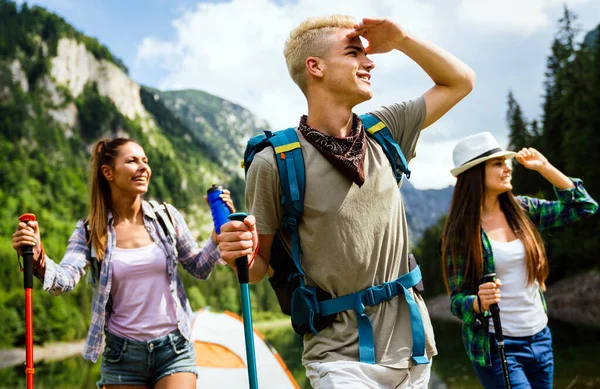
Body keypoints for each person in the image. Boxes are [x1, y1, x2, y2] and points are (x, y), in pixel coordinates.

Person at [218, 15, 475, 388]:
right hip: (338, 358)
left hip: (414, 350)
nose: (369, 63)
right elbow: (257, 267)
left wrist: (402, 39)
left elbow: (461, 81)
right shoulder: (274, 161)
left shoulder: (386, 130)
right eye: (354, 53)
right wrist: (236, 252)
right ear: (315, 66)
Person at [11, 138, 235, 389]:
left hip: (174, 349)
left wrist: (217, 238)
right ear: (108, 172)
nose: (143, 167)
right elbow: (63, 280)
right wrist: (39, 257)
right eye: (132, 161)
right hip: (122, 356)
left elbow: (198, 266)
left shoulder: (166, 217)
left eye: (145, 161)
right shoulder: (89, 231)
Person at [441, 132, 598, 388]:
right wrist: (478, 303)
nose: (508, 168)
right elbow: (457, 301)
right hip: (497, 345)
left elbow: (584, 206)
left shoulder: (523, 210)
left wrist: (545, 168)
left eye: (507, 162)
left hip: (540, 338)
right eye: (498, 163)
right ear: (476, 173)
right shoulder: (460, 232)